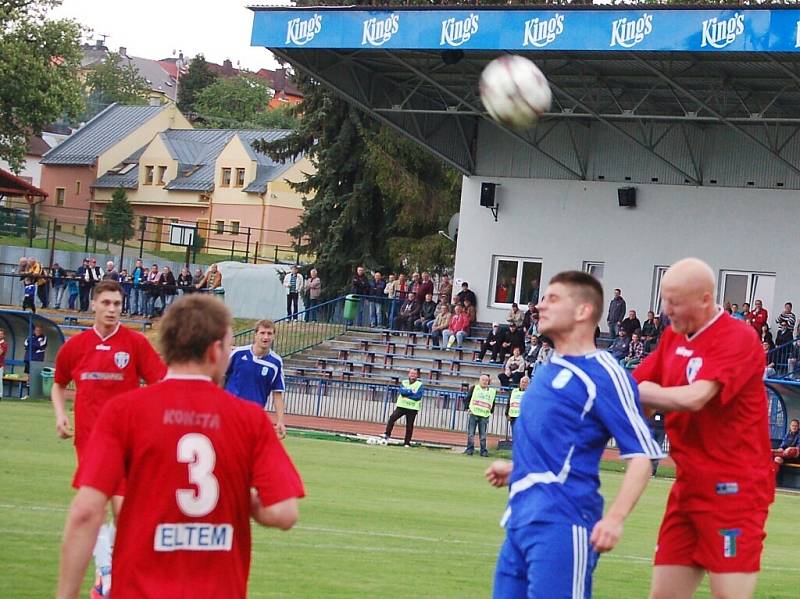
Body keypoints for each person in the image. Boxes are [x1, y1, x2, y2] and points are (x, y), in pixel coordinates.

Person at [56, 294, 304, 599]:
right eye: (227, 348)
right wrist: (241, 493)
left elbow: (85, 512)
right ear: (215, 352)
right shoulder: (250, 419)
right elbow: (284, 512)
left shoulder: (124, 412)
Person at [486, 271, 661, 599]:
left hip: (563, 521)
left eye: (552, 299)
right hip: (520, 520)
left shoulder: (604, 373)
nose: (540, 306)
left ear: (583, 311)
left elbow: (642, 455)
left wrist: (615, 519)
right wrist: (518, 469)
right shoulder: (548, 367)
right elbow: (562, 447)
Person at [633, 258, 775, 599]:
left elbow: (696, 398)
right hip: (688, 487)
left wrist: (642, 392)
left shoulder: (738, 338)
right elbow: (630, 389)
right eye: (664, 300)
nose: (667, 311)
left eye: (675, 302)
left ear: (705, 298)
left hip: (735, 491)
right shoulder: (672, 338)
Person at [51, 280, 167, 598]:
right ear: (94, 305)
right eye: (106, 303)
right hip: (90, 442)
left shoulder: (135, 344)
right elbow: (58, 384)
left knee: (125, 511)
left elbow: (160, 382)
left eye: (117, 304)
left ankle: (117, 572)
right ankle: (106, 575)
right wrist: (61, 415)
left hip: (129, 444)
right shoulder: (75, 346)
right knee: (96, 510)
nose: (112, 309)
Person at [225, 319, 287, 439]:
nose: (266, 337)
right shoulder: (238, 354)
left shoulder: (276, 362)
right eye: (262, 333)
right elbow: (220, 377)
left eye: (269, 333)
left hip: (253, 418)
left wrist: (280, 421)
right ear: (255, 335)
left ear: (274, 336)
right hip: (230, 413)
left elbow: (277, 393)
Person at [383, 368, 424, 447]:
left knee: (409, 425)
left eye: (414, 374)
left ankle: (407, 442)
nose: (413, 375)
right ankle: (387, 435)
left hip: (412, 408)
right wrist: (411, 392)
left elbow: (418, 396)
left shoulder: (420, 385)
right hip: (401, 406)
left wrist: (407, 394)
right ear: (409, 374)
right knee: (392, 418)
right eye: (411, 373)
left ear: (417, 375)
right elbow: (402, 392)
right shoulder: (404, 382)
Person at [464, 373, 496, 457]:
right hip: (474, 413)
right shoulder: (474, 388)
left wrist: (491, 411)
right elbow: (468, 398)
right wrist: (467, 408)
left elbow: (493, 402)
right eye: (483, 380)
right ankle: (469, 450)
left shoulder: (491, 391)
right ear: (479, 381)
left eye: (486, 380)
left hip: (484, 415)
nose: (485, 382)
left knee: (483, 435)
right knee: (471, 433)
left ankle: (483, 451)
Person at [0, 328, 6, 399]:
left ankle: (0, 395)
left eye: (1, 334)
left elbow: (0, 352)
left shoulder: (4, 344)